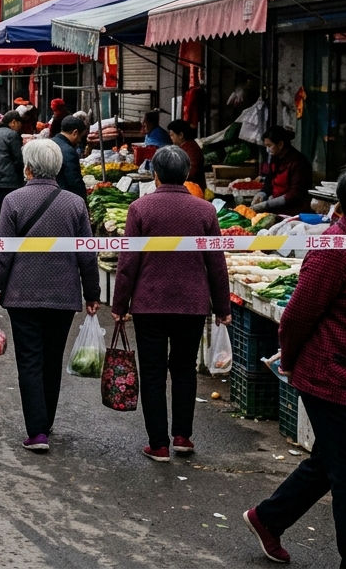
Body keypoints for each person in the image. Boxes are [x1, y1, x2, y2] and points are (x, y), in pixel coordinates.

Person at [244, 169, 346, 565]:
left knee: (330, 461)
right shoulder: (335, 247)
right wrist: (288, 359)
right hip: (332, 375)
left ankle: (268, 518)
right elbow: (297, 315)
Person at [110, 145, 231, 463]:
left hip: (150, 303)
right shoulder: (205, 211)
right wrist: (223, 308)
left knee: (151, 372)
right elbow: (216, 262)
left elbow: (128, 262)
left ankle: (158, 444)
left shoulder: (140, 209)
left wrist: (119, 304)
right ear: (188, 173)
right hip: (192, 303)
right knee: (184, 369)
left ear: (156, 174)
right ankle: (183, 436)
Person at [0, 139, 100, 453]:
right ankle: (45, 422)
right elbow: (87, 255)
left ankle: (37, 432)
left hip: (22, 296)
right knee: (51, 360)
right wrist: (92, 293)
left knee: (30, 362)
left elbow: (2, 254)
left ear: (29, 167)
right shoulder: (75, 203)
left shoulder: (14, 201)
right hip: (63, 296)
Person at [255, 126, 314, 216]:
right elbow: (269, 180)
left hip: (294, 211)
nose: (267, 150)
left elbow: (295, 195)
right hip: (276, 208)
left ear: (280, 145)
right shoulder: (275, 158)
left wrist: (267, 204)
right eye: (266, 146)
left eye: (269, 146)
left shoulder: (299, 163)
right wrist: (262, 193)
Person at [52, 115, 88, 201]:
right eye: (80, 136)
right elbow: (74, 182)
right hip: (62, 197)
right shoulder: (69, 151)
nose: (79, 140)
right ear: (75, 133)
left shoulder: (50, 142)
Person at [166, 120, 205, 188]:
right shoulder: (187, 146)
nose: (170, 138)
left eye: (172, 135)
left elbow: (191, 172)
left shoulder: (190, 148)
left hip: (192, 188)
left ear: (181, 135)